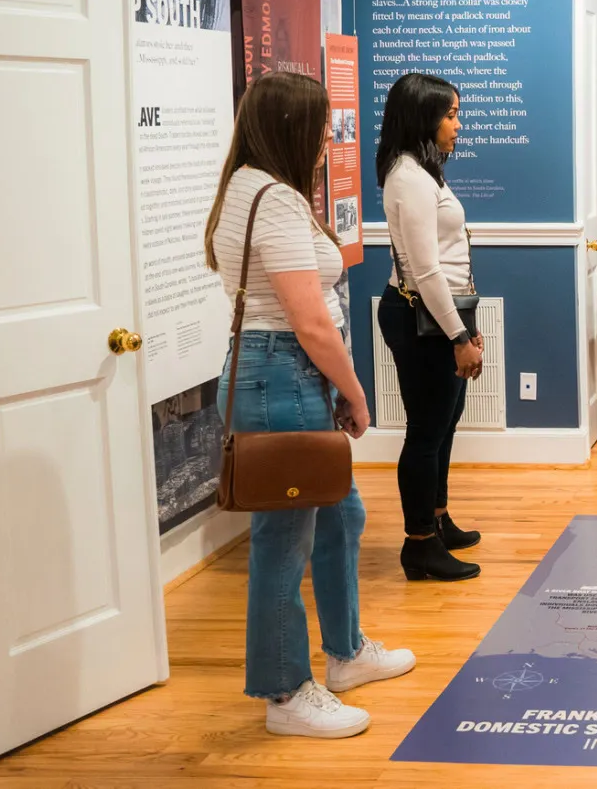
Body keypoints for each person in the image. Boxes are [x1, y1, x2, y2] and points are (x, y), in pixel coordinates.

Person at [204, 71, 414, 739]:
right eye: (320, 126)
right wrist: (354, 393)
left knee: (339, 513)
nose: (329, 138)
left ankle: (346, 651)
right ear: (290, 129)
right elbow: (310, 322)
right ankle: (286, 689)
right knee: (282, 541)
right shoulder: (274, 200)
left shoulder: (246, 188)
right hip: (283, 374)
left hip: (275, 373)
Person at [376, 72, 485, 582]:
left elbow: (448, 256)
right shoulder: (407, 177)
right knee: (425, 433)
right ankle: (419, 544)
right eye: (450, 114)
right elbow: (424, 271)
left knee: (444, 425)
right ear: (424, 116)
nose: (457, 125)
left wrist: (466, 322)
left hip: (440, 315)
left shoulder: (425, 171)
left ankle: (438, 520)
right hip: (419, 318)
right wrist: (458, 336)